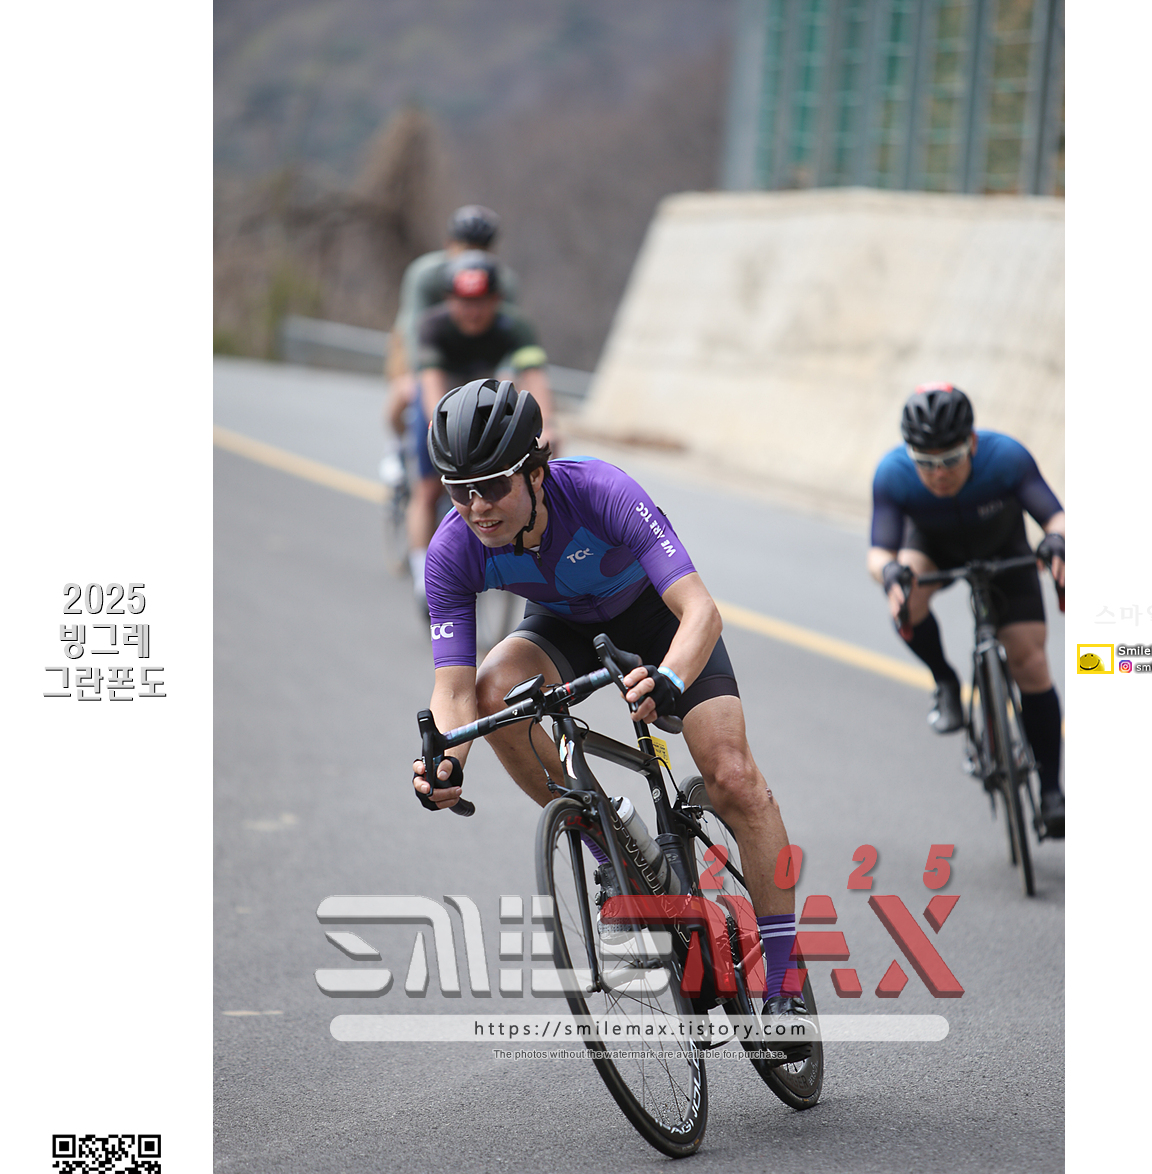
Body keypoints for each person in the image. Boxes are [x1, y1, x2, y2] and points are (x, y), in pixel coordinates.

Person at [410, 379, 813, 1049]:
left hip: (659, 621)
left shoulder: (600, 491)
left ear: (534, 472)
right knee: (494, 694)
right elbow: (452, 692)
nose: (477, 507)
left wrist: (670, 677)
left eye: (493, 486)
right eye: (459, 490)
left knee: (733, 776)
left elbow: (700, 610)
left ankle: (784, 984)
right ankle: (613, 851)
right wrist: (445, 761)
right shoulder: (453, 549)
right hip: (563, 625)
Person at [865, 383, 1067, 838]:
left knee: (1031, 662)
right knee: (906, 597)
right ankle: (945, 680)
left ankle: (1052, 793)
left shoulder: (1006, 457)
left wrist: (1056, 540)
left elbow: (1056, 517)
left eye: (951, 459)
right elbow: (878, 554)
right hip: (932, 549)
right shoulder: (893, 473)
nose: (939, 473)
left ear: (972, 443)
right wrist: (891, 572)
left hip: (1004, 549)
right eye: (926, 462)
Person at [390, 252, 556, 618]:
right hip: (444, 404)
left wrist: (547, 427)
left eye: (481, 302)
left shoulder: (515, 326)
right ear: (449, 300)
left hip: (483, 399)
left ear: (497, 300)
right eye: (463, 302)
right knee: (428, 489)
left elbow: (535, 378)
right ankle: (422, 576)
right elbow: (432, 386)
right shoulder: (433, 325)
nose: (472, 311)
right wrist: (441, 431)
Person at [386, 204, 520, 380]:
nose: (473, 256)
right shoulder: (427, 274)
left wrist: (507, 375)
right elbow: (413, 325)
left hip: (475, 349)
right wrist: (417, 374)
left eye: (481, 249)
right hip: (428, 342)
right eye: (466, 248)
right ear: (449, 245)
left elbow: (509, 333)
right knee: (406, 377)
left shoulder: (503, 281)